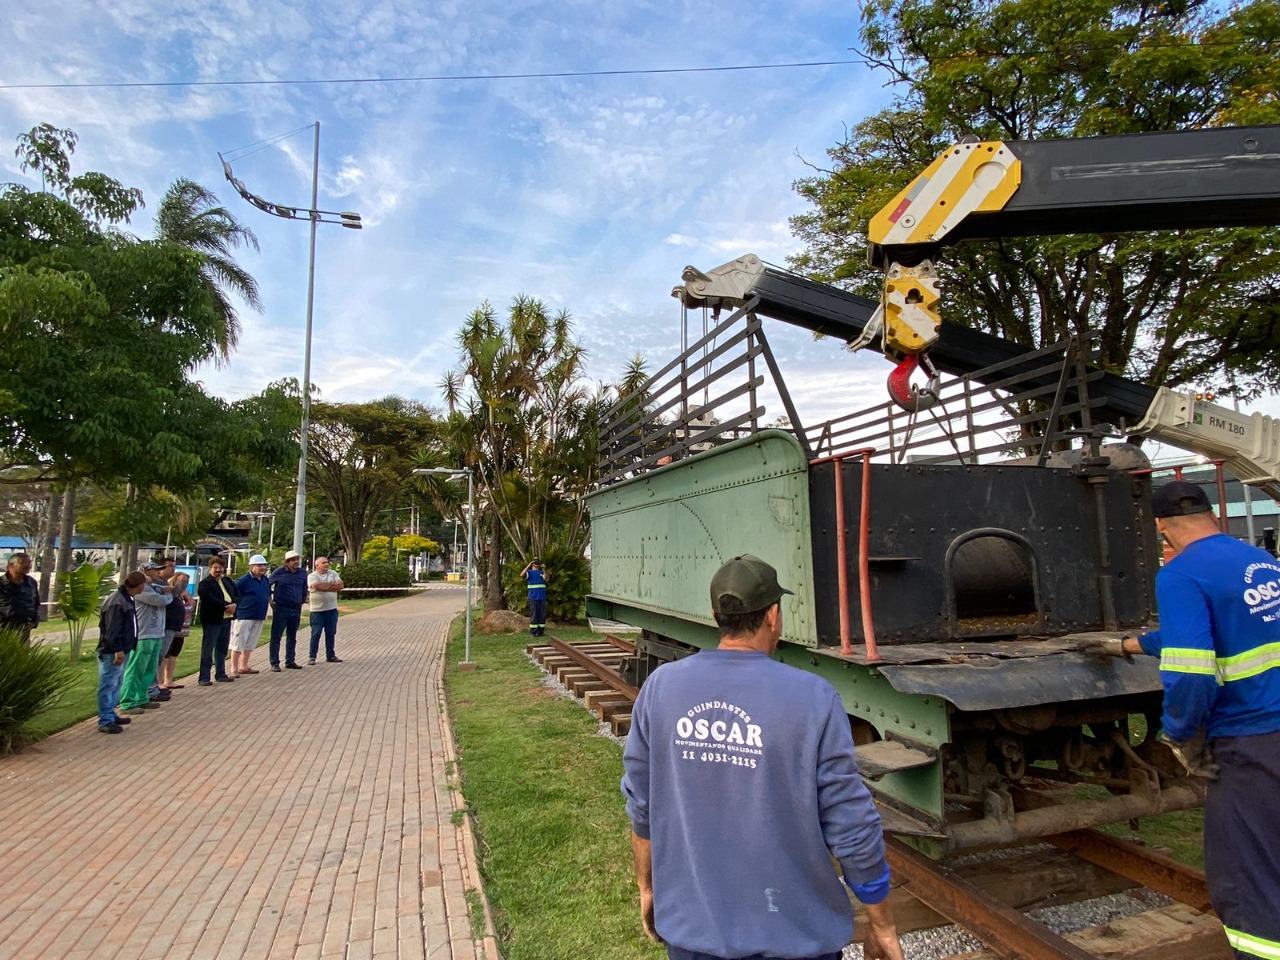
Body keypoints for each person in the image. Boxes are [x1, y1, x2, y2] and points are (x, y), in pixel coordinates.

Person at [621, 555, 904, 960]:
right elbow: (852, 825)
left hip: (693, 934)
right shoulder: (814, 698)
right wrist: (883, 925)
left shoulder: (660, 687)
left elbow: (641, 805)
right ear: (773, 615)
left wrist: (648, 888)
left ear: (716, 615)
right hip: (796, 938)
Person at [1083, 481, 1280, 960]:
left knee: (1249, 874)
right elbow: (1217, 629)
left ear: (1159, 527)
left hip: (1250, 744)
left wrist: (1180, 733)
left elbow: (1191, 670)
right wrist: (1129, 645)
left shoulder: (1180, 574)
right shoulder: (1259, 562)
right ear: (1212, 514)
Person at [118, 561, 174, 715]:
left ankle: (142, 697)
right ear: (146, 572)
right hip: (143, 635)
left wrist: (164, 589)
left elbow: (160, 590)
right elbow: (161, 600)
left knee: (149, 670)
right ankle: (127, 701)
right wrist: (169, 593)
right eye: (155, 570)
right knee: (136, 669)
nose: (159, 573)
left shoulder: (153, 588)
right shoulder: (142, 591)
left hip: (156, 634)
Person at [96, 572, 147, 734]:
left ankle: (111, 713)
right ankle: (105, 719)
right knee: (108, 683)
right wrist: (117, 649)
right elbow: (112, 629)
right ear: (139, 585)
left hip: (124, 648)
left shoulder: (126, 599)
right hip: (112, 651)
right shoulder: (116, 602)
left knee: (117, 683)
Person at [196, 556, 238, 686]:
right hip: (212, 620)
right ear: (210, 569)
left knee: (222, 648)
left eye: (220, 567)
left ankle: (220, 674)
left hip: (226, 619)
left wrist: (235, 604)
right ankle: (204, 677)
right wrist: (227, 606)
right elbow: (210, 600)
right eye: (215, 568)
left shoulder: (227, 581)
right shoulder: (205, 584)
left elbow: (237, 595)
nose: (218, 570)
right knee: (208, 649)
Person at [230, 554, 271, 675]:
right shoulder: (244, 580)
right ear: (252, 566)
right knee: (238, 641)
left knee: (251, 642)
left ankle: (244, 666)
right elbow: (234, 592)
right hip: (244, 614)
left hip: (259, 614)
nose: (262, 567)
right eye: (259, 565)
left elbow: (267, 594)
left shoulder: (265, 579)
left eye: (263, 565)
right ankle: (234, 668)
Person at [268, 550, 309, 671]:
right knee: (276, 636)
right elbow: (267, 584)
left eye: (297, 559)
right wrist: (270, 599)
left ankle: (290, 660)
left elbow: (304, 587)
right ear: (287, 562)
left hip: (296, 608)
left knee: (292, 636)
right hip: (281, 608)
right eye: (293, 560)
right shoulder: (279, 572)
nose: (296, 562)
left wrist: (302, 599)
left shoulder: (302, 573)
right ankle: (274, 662)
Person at [158, 571, 194, 690]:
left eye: (186, 581)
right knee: (164, 656)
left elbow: (193, 605)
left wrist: (187, 596)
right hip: (169, 628)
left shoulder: (184, 593)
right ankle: (159, 682)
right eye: (182, 581)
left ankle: (169, 680)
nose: (184, 583)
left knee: (174, 655)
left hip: (182, 630)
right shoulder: (171, 593)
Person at [307, 556, 343, 664]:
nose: (326, 564)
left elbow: (340, 585)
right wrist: (332, 584)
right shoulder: (312, 576)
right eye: (323, 563)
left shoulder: (333, 573)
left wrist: (325, 586)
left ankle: (330, 655)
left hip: (331, 610)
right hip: (317, 611)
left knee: (331, 633)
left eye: (327, 562)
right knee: (316, 633)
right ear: (317, 565)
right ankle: (312, 657)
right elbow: (317, 586)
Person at [0, 552, 41, 643]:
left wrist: (35, 621)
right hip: (3, 631)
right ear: (11, 565)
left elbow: (36, 604)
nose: (28, 566)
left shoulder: (31, 583)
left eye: (29, 563)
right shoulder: (1, 584)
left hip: (24, 630)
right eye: (23, 563)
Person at [521, 557, 548, 638]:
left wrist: (543, 569)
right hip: (533, 597)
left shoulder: (542, 572)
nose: (536, 564)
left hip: (542, 597)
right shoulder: (529, 572)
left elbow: (547, 579)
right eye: (535, 562)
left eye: (537, 563)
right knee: (534, 615)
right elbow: (522, 574)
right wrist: (529, 565)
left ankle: (541, 631)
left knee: (542, 615)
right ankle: (533, 632)